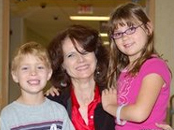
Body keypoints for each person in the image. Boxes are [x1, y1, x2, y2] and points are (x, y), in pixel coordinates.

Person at [101, 2, 172, 130]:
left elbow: (139, 114)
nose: (125, 37)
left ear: (148, 28)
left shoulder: (154, 66)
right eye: (118, 33)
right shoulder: (124, 71)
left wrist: (110, 107)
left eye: (131, 29)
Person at [46, 24, 116, 130]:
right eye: (71, 55)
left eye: (85, 52)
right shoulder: (53, 103)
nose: (81, 60)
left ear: (96, 56)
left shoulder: (116, 96)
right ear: (62, 64)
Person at [0, 42, 75, 130]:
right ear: (15, 76)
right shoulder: (8, 114)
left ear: (49, 73)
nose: (33, 73)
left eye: (40, 67)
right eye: (25, 68)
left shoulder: (59, 111)